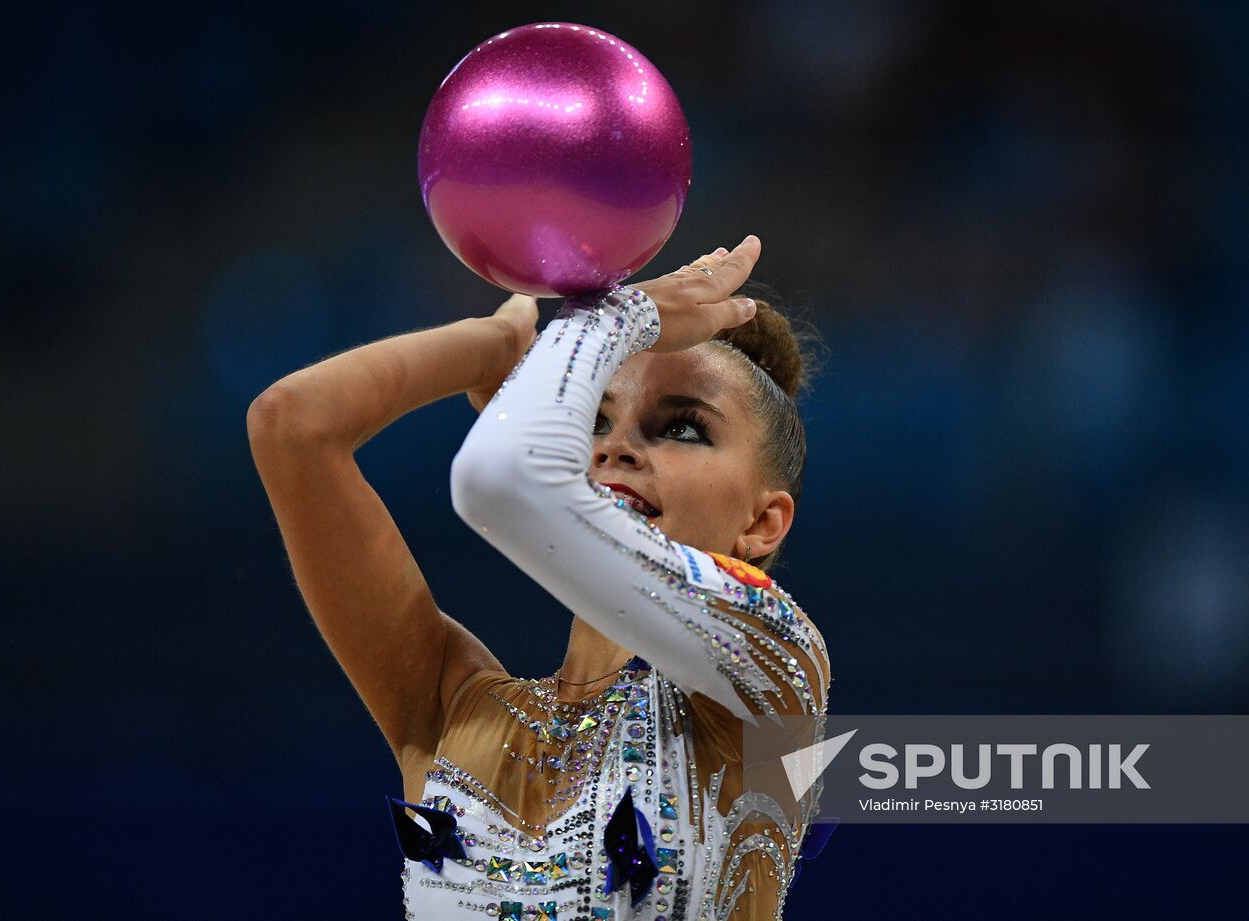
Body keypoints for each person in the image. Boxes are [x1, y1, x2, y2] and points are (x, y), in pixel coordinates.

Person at [247, 234, 831, 919]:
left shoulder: (772, 672)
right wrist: (493, 343)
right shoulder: (454, 710)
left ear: (762, 524)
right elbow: (293, 424)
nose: (616, 446)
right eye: (596, 419)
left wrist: (613, 321)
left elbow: (505, 480)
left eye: (681, 428)